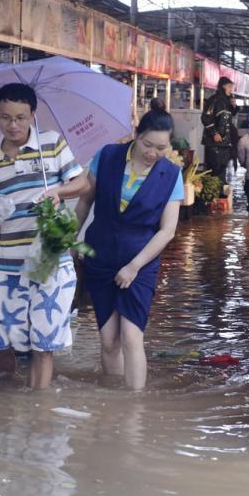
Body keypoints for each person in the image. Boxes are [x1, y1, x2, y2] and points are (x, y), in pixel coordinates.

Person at [0, 83, 89, 390]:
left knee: (43, 344)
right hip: (7, 264)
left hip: (48, 261)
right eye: (6, 117)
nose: (14, 125)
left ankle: (38, 408)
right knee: (0, 340)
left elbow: (83, 184)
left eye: (21, 118)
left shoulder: (51, 144)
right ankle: (10, 397)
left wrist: (58, 191)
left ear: (33, 115)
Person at [74, 109, 184, 390]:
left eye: (161, 147)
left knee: (132, 335)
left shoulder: (171, 175)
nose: (153, 153)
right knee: (109, 340)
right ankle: (114, 402)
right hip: (101, 257)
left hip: (141, 263)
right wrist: (72, 240)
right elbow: (86, 202)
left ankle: (134, 407)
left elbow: (167, 230)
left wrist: (134, 266)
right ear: (136, 135)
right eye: (147, 145)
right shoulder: (108, 156)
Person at [202, 77, 236, 187]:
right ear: (223, 86)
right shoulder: (214, 100)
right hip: (213, 143)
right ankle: (212, 196)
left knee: (222, 168)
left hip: (225, 143)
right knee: (214, 169)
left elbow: (232, 114)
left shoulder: (227, 102)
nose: (231, 89)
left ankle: (220, 193)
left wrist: (234, 106)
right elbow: (206, 117)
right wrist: (214, 133)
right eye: (230, 86)